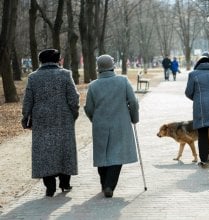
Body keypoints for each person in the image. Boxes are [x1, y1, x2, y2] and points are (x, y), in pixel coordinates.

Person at [21, 48, 80, 197]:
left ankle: (49, 187)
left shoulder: (33, 77)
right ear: (57, 60)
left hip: (41, 119)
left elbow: (28, 99)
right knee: (64, 149)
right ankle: (65, 183)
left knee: (44, 151)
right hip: (63, 117)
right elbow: (73, 97)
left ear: (41, 60)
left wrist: (25, 116)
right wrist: (74, 113)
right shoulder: (65, 74)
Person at [84, 54, 139, 198]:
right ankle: (109, 185)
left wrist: (93, 119)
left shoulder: (93, 85)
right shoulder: (123, 81)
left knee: (103, 155)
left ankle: (104, 183)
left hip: (100, 124)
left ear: (98, 68)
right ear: (113, 66)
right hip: (120, 124)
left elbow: (88, 107)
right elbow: (133, 102)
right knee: (117, 154)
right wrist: (134, 118)